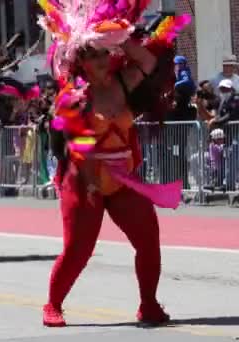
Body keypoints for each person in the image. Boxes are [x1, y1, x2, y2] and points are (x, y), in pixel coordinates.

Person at [39, 3, 188, 327]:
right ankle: (53, 304)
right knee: (78, 249)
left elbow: (148, 61)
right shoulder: (74, 96)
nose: (101, 60)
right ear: (80, 61)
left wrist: (119, 38)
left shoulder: (123, 82)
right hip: (83, 181)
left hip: (123, 180)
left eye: (102, 53)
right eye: (92, 55)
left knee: (148, 240)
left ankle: (148, 305)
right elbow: (80, 147)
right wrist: (92, 183)